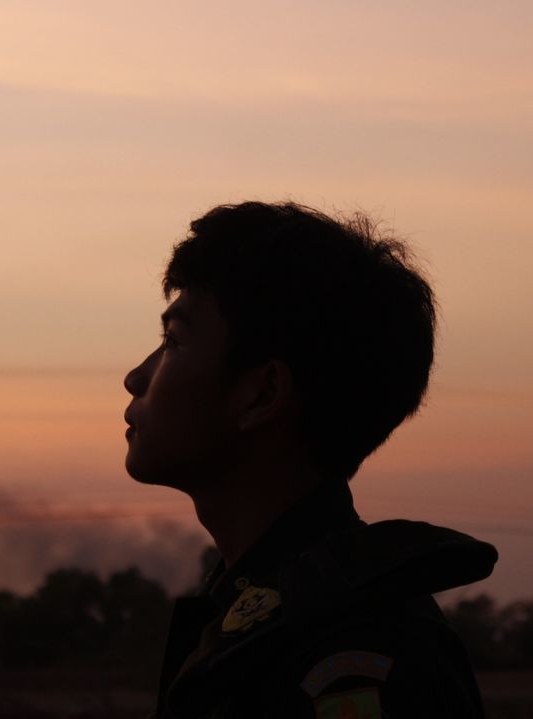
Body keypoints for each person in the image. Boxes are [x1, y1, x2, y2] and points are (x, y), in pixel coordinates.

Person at [122, 201, 498, 718]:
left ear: (262, 393)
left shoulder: (357, 653)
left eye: (173, 341)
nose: (137, 377)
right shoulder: (262, 622)